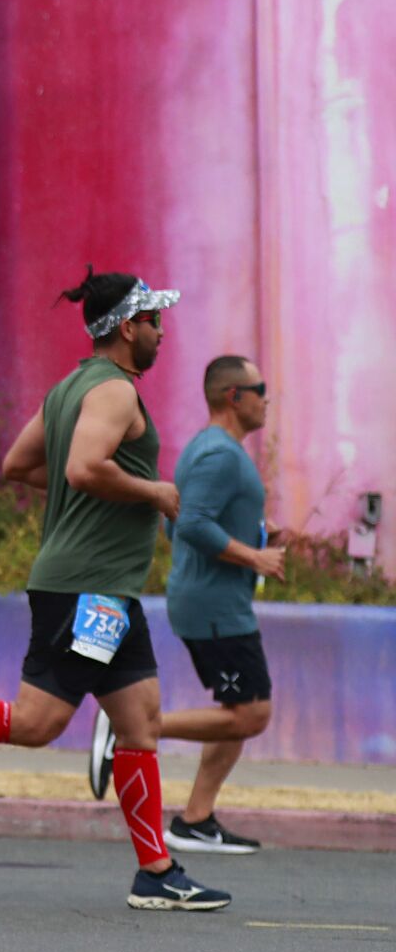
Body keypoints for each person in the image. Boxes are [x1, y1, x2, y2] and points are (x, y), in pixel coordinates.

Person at [0, 267, 231, 912]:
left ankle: (156, 872)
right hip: (87, 587)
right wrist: (154, 492)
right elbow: (82, 468)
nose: (162, 333)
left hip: (106, 588)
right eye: (154, 321)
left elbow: (19, 465)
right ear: (128, 327)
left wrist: (96, 492)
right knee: (37, 723)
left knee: (140, 723)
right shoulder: (115, 391)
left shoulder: (69, 389)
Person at [157, 355, 284, 853]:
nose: (267, 400)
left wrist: (257, 533)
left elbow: (178, 520)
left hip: (214, 601)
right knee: (252, 714)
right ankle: (134, 727)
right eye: (261, 389)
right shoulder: (220, 456)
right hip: (215, 607)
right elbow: (190, 525)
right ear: (235, 396)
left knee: (237, 710)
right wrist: (255, 556)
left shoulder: (208, 448)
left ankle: (196, 820)